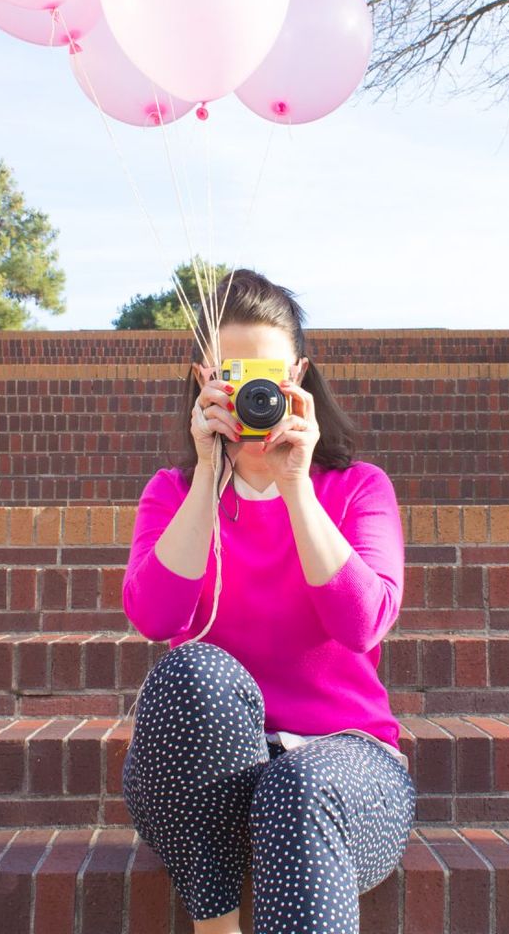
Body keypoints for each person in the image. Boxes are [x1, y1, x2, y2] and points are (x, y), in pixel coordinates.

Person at [121, 269, 416, 934]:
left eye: (268, 375)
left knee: (297, 786)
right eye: (233, 375)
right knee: (192, 673)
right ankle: (216, 925)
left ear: (299, 376)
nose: (253, 392)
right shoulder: (173, 493)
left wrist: (296, 487)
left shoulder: (357, 489)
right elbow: (155, 616)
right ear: (205, 381)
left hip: (340, 769)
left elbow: (362, 622)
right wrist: (206, 474)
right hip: (206, 788)